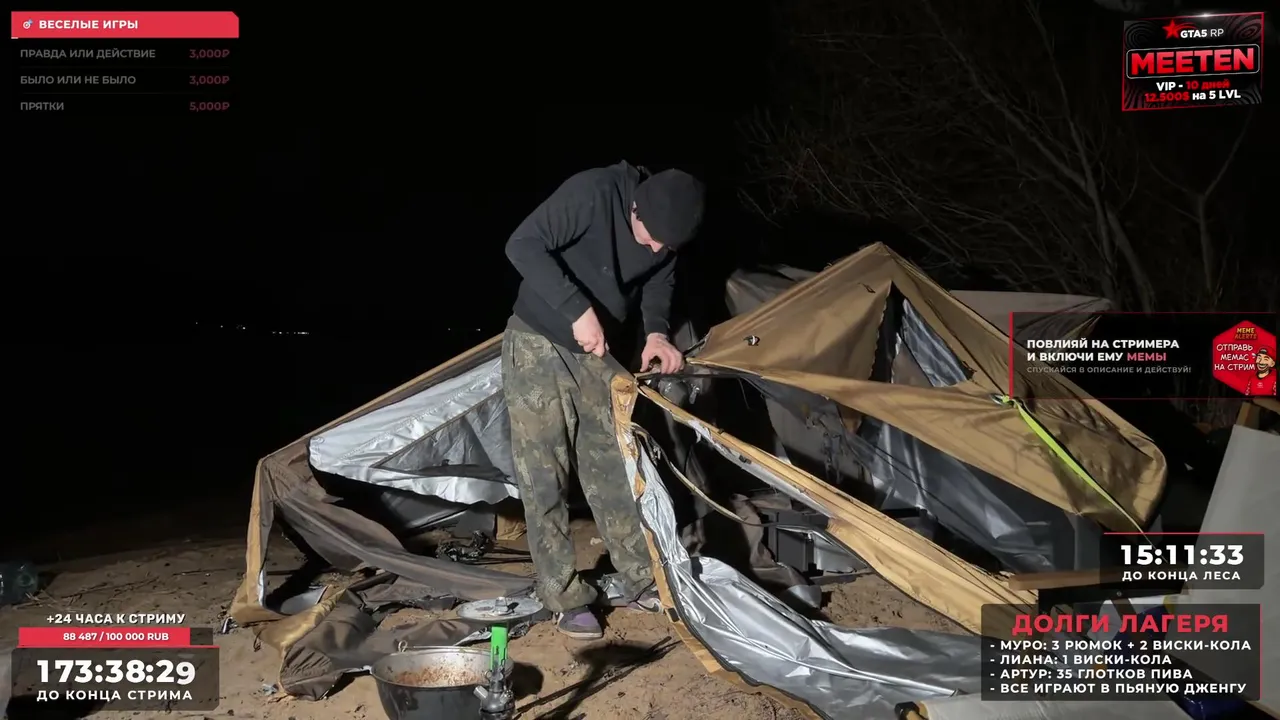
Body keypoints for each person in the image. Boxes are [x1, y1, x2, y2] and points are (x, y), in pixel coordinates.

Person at [502, 161, 705, 639]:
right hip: (537, 339)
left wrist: (656, 333)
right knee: (544, 473)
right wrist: (576, 309)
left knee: (614, 464)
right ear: (634, 208)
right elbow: (522, 244)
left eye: (667, 245)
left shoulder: (665, 234)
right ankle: (563, 594)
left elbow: (659, 280)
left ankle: (638, 576)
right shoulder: (594, 192)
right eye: (650, 238)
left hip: (598, 351)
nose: (655, 249)